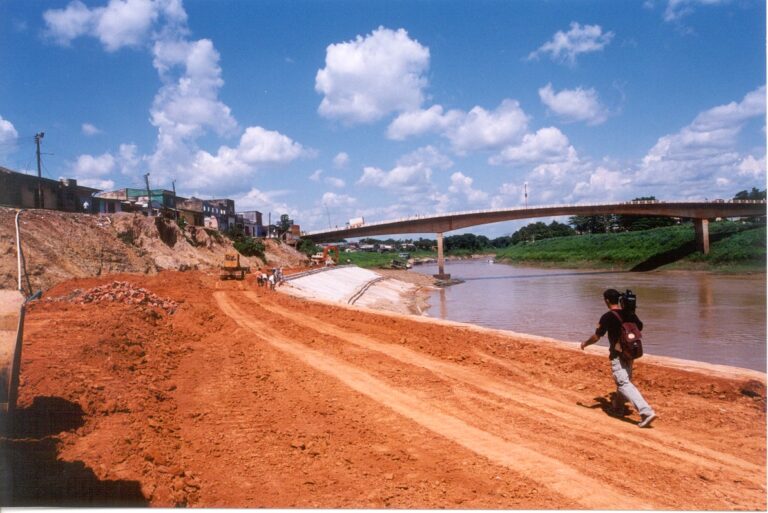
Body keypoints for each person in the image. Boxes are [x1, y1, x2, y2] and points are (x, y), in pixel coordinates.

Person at [581, 288, 657, 428]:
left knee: (623, 383)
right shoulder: (629, 314)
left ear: (607, 300)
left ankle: (646, 412)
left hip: (618, 354)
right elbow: (640, 327)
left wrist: (585, 343)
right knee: (624, 382)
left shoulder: (608, 316)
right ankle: (618, 408)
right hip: (630, 352)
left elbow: (597, 336)